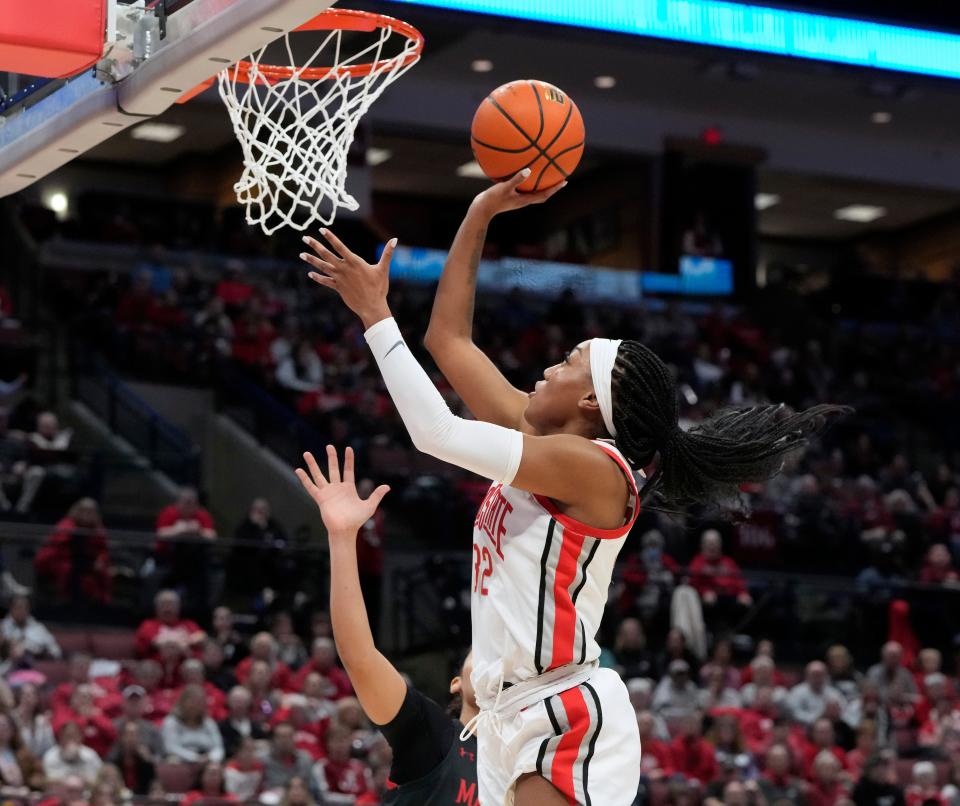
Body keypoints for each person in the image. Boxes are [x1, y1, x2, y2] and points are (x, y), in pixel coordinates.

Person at [299, 172, 846, 806]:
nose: (548, 365)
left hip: (564, 709)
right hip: (504, 715)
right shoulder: (544, 451)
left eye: (569, 361)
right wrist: (480, 212)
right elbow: (447, 341)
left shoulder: (598, 471)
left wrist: (375, 316)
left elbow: (433, 431)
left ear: (589, 400)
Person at [295, 446, 480, 804]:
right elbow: (360, 657)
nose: (493, 660)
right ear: (455, 683)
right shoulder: (432, 734)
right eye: (481, 653)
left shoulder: (526, 766)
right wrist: (343, 538)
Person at [34, 499, 111, 604]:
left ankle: (100, 604)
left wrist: (100, 560)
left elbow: (102, 550)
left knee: (102, 572)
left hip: (88, 562)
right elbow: (57, 546)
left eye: (90, 512)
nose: (86, 514)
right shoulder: (67, 524)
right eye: (83, 511)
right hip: (64, 559)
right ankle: (65, 602)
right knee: (66, 570)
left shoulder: (97, 528)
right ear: (77, 511)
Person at [134, 590, 206, 662]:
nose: (167, 609)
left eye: (171, 605)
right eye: (163, 605)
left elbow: (201, 636)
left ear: (179, 607)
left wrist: (185, 642)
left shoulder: (188, 624)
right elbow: (157, 642)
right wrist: (182, 645)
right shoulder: (148, 625)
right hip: (157, 667)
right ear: (156, 608)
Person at [161, 684, 224, 764]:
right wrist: (195, 758)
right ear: (182, 702)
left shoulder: (209, 722)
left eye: (200, 702)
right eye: (192, 701)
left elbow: (218, 748)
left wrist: (211, 757)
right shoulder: (171, 722)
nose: (196, 705)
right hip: (181, 762)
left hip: (207, 763)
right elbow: (170, 747)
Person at [0, 594, 61, 660]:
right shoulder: (2, 627)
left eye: (25, 608)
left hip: (33, 666)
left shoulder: (38, 628)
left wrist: (39, 651)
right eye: (18, 607)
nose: (21, 611)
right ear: (11, 609)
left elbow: (56, 652)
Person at [43, 722, 102, 786]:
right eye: (68, 736)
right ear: (60, 737)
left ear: (81, 737)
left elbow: (99, 780)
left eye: (74, 736)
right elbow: (46, 781)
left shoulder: (90, 755)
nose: (71, 740)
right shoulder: (51, 756)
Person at [106, 720, 156, 796]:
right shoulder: (113, 760)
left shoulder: (146, 762)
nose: (131, 739)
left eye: (135, 735)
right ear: (121, 738)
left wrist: (147, 760)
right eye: (128, 735)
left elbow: (151, 787)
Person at [0, 711, 44, 791]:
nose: (2, 729)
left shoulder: (23, 752)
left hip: (25, 796)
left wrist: (32, 782)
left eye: (5, 726)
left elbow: (38, 773)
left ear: (12, 729)